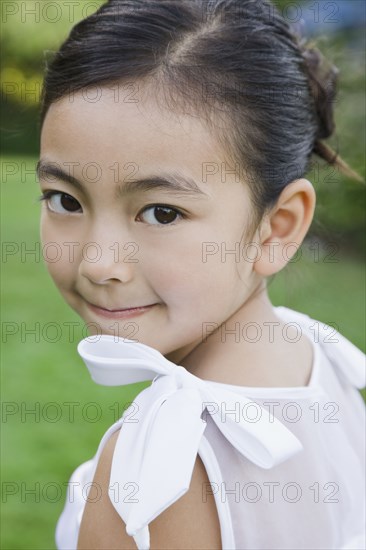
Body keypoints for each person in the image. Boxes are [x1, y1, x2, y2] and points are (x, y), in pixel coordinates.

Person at [36, 0, 365, 548]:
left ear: (276, 228)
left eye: (162, 212)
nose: (98, 262)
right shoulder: (314, 359)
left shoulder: (156, 471)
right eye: (64, 200)